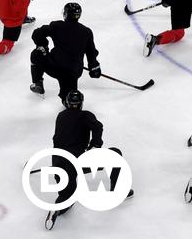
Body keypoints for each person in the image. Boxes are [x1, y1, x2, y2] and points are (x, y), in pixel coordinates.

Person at [47, 90, 133, 224]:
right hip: (79, 163)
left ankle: (59, 206)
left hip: (59, 164)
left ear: (67, 103)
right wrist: (95, 145)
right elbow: (98, 127)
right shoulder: (85, 115)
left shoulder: (60, 116)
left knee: (67, 196)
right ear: (81, 103)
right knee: (115, 154)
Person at [29, 3, 101, 103]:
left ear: (66, 14)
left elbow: (36, 34)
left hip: (54, 66)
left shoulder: (56, 25)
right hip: (73, 72)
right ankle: (71, 104)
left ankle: (38, 83)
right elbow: (91, 53)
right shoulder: (86, 32)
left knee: (36, 54)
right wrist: (94, 67)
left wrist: (43, 44)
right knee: (68, 98)